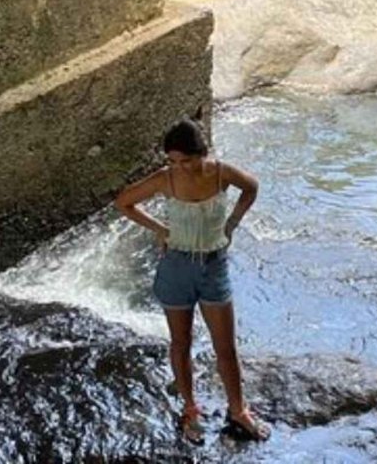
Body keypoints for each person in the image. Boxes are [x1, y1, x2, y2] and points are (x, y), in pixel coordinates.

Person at [114, 117, 271, 444]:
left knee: (225, 347)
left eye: (186, 160)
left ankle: (238, 409)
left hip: (214, 267)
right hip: (176, 268)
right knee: (181, 343)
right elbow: (124, 202)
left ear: (202, 153)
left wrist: (232, 223)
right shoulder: (165, 179)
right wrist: (160, 229)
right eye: (173, 161)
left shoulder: (221, 172)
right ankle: (190, 409)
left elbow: (252, 187)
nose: (180, 167)